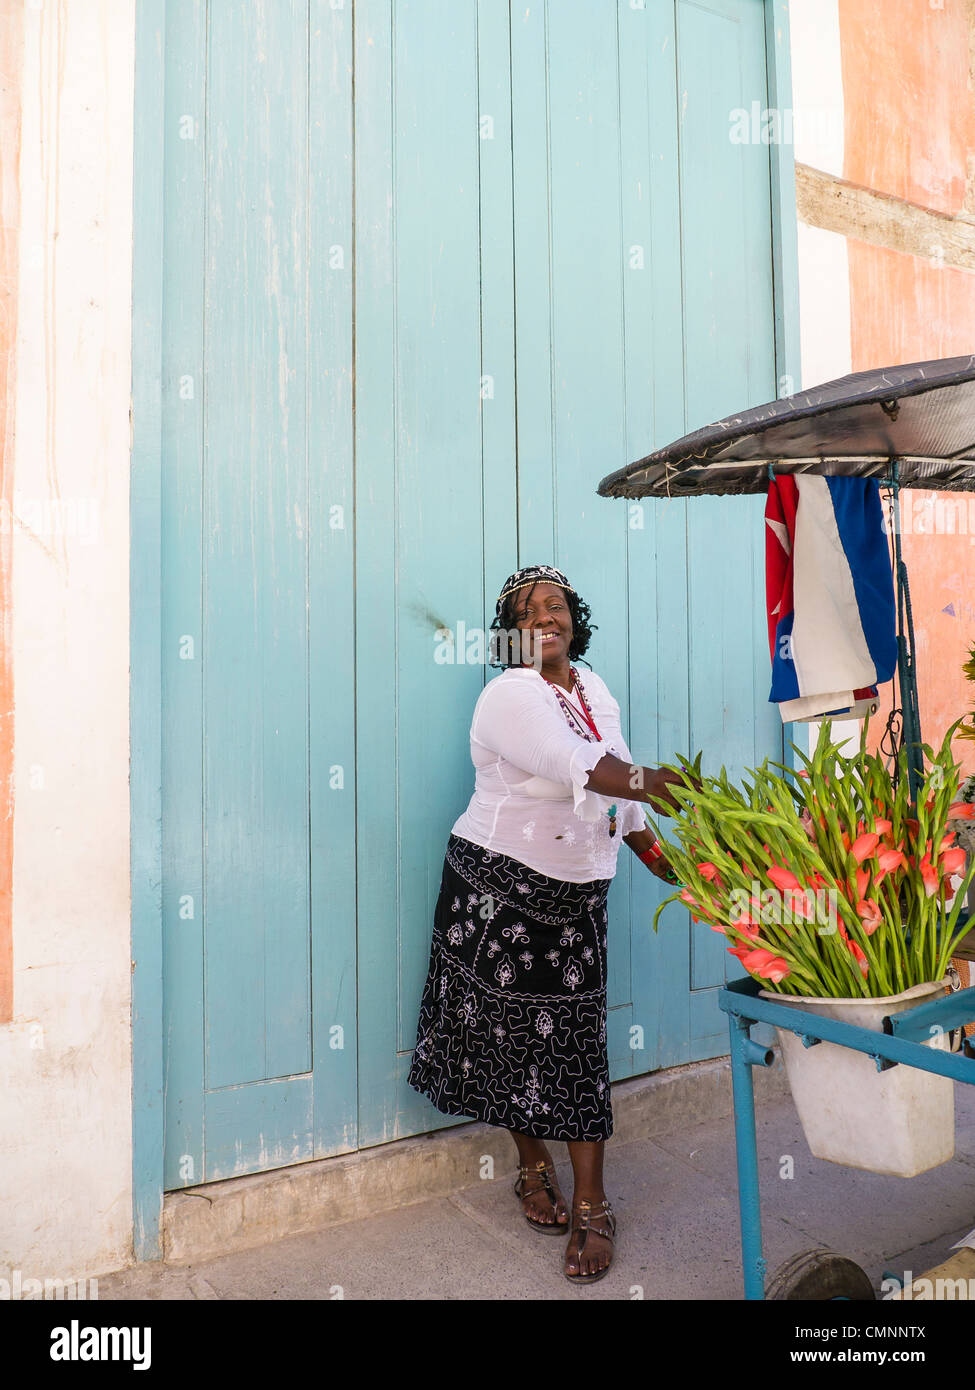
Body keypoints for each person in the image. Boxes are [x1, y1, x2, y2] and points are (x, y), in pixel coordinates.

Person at [407, 564, 688, 1284]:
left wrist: (655, 850)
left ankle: (593, 1203)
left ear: (573, 618)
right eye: (529, 609)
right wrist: (651, 780)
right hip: (494, 887)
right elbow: (576, 764)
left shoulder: (594, 689)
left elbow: (614, 778)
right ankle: (532, 1165)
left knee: (575, 1046)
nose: (546, 615)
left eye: (556, 604)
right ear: (510, 632)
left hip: (576, 893)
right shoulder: (508, 694)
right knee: (506, 1041)